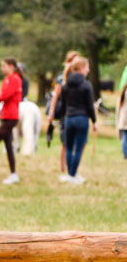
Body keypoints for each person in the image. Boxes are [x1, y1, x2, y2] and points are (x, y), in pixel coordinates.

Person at [60, 56, 97, 184]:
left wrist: (63, 120)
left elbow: (63, 105)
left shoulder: (65, 85)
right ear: (81, 68)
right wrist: (94, 121)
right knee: (79, 148)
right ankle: (73, 174)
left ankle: (70, 174)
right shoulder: (86, 85)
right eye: (87, 67)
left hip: (69, 118)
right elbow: (90, 106)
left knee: (69, 148)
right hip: (82, 118)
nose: (88, 69)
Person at [47, 50, 80, 179]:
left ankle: (72, 167)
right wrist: (51, 111)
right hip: (65, 113)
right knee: (66, 141)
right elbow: (55, 97)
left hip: (76, 112)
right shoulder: (62, 78)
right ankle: (63, 166)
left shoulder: (80, 77)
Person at [116, 84, 127, 159]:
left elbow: (118, 107)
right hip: (124, 118)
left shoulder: (123, 92)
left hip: (123, 118)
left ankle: (125, 153)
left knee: (124, 137)